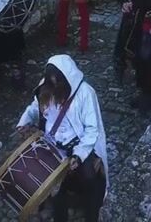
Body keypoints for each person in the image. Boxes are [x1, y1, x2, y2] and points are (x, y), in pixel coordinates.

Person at [16, 55, 109, 222]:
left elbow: (91, 130)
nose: (54, 86)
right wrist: (24, 121)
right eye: (51, 81)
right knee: (54, 186)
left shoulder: (86, 93)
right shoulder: (46, 87)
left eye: (57, 82)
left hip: (80, 145)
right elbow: (35, 107)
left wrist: (78, 155)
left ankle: (92, 215)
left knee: (90, 178)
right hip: (53, 145)